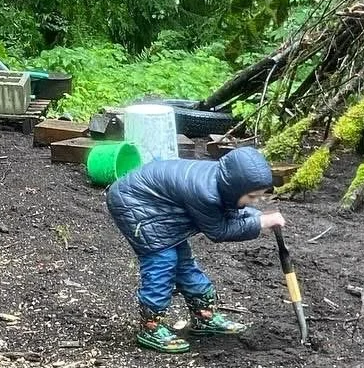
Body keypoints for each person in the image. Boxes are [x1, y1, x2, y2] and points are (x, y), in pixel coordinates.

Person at [105, 145, 284, 353]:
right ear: (235, 187)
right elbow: (220, 231)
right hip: (134, 204)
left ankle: (204, 317)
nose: (255, 201)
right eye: (252, 197)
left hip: (160, 205)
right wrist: (260, 222)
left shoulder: (221, 184)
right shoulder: (205, 193)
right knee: (162, 260)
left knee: (183, 261)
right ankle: (150, 327)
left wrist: (257, 217)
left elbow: (232, 212)